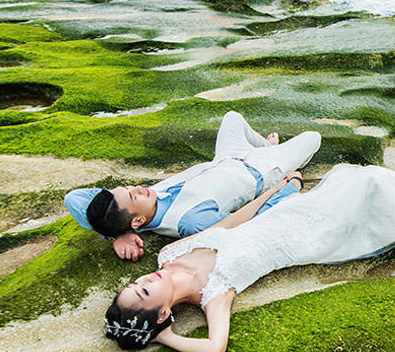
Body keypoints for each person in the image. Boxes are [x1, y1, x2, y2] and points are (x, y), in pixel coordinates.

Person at [103, 165, 395, 352]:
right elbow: (214, 348)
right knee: (366, 193)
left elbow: (229, 223)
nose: (144, 278)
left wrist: (273, 191)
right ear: (163, 313)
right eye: (145, 290)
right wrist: (166, 338)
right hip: (303, 240)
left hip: (285, 213)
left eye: (135, 282)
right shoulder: (214, 295)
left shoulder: (168, 255)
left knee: (355, 178)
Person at [65, 111, 320, 260]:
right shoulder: (189, 221)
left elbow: (73, 198)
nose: (139, 188)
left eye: (129, 188)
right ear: (137, 222)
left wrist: (115, 235)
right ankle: (272, 151)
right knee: (312, 138)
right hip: (263, 170)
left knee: (232, 117)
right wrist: (289, 186)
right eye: (133, 197)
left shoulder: (140, 206)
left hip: (226, 157)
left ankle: (266, 144)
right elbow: (248, 222)